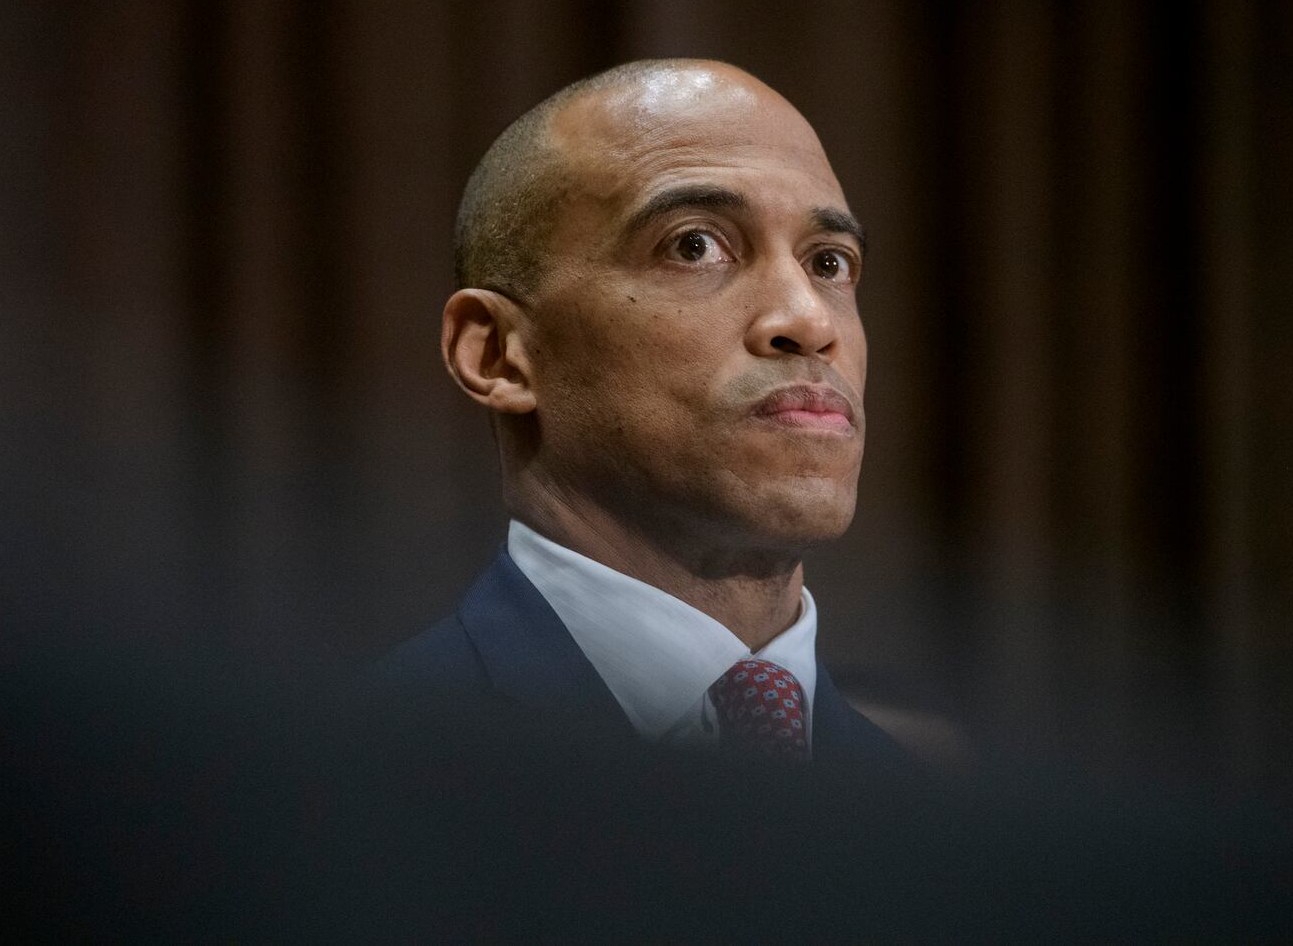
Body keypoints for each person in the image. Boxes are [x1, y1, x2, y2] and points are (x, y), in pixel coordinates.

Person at [380, 58, 908, 773]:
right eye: (695, 245)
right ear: (499, 355)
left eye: (829, 263)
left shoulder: (951, 840)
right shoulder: (344, 783)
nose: (809, 321)